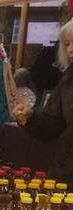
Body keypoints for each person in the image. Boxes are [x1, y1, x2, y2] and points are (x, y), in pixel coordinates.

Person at [12, 19, 73, 184]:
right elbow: (53, 123)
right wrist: (30, 116)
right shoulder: (67, 82)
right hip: (67, 173)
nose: (70, 50)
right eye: (67, 44)